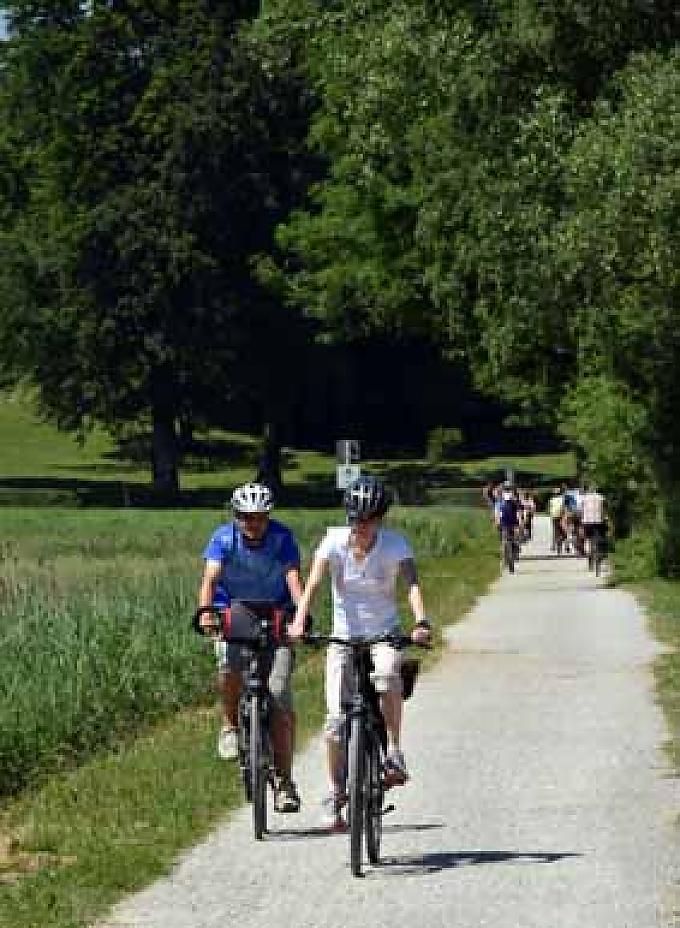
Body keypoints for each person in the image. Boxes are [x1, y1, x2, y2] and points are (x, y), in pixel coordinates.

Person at [287, 475, 432, 830]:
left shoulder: (395, 545)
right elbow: (315, 582)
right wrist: (299, 620)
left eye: (369, 519)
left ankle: (395, 753)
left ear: (381, 518)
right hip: (343, 637)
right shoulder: (333, 541)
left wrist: (421, 620)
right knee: (335, 724)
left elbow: (411, 584)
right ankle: (336, 794)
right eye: (356, 519)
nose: (362, 526)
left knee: (386, 676)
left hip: (383, 633)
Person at [197, 481, 303, 813]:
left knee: (280, 700)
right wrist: (205, 613)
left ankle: (284, 783)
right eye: (245, 517)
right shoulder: (223, 538)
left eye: (258, 517)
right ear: (236, 516)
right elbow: (210, 580)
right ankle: (229, 726)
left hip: (276, 613)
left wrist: (300, 615)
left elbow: (293, 579)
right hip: (235, 610)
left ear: (268, 516)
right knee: (229, 665)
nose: (251, 523)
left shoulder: (282, 538)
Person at [580, 482, 607, 563]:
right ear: (596, 490)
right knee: (601, 536)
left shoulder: (584, 498)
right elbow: (604, 509)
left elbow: (582, 509)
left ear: (588, 490)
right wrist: (605, 517)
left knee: (588, 538)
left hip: (587, 521)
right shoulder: (601, 497)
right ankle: (600, 552)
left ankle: (589, 555)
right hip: (599, 520)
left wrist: (581, 519)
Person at [548, 486, 565, 551]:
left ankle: (554, 545)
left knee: (555, 531)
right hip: (561, 516)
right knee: (562, 531)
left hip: (554, 516)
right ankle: (560, 541)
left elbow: (550, 509)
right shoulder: (562, 499)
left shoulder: (551, 500)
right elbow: (563, 508)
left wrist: (551, 515)